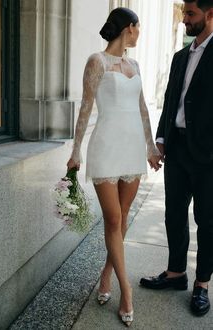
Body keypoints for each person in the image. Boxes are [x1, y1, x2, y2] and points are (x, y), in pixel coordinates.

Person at [67, 7, 161, 326]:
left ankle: (106, 273)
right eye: (139, 28)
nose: (139, 34)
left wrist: (150, 147)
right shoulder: (97, 61)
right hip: (106, 146)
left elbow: (143, 109)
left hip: (133, 147)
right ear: (129, 28)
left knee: (120, 222)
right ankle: (126, 291)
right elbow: (85, 107)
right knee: (114, 219)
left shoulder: (134, 64)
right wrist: (76, 151)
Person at [140, 0, 213, 317]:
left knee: (207, 223)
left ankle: (202, 284)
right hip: (178, 149)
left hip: (208, 157)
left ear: (210, 14)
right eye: (184, 13)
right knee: (173, 215)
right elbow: (171, 100)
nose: (185, 19)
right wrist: (161, 140)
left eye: (191, 14)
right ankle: (175, 273)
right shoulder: (180, 56)